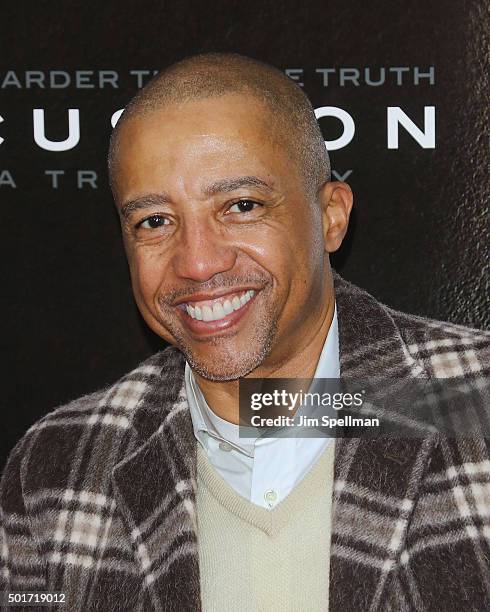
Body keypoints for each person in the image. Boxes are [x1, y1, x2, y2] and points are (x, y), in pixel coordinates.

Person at [1, 53, 489, 612]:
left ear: (330, 216)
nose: (198, 262)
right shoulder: (57, 470)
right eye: (155, 221)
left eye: (241, 205)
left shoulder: (472, 401)